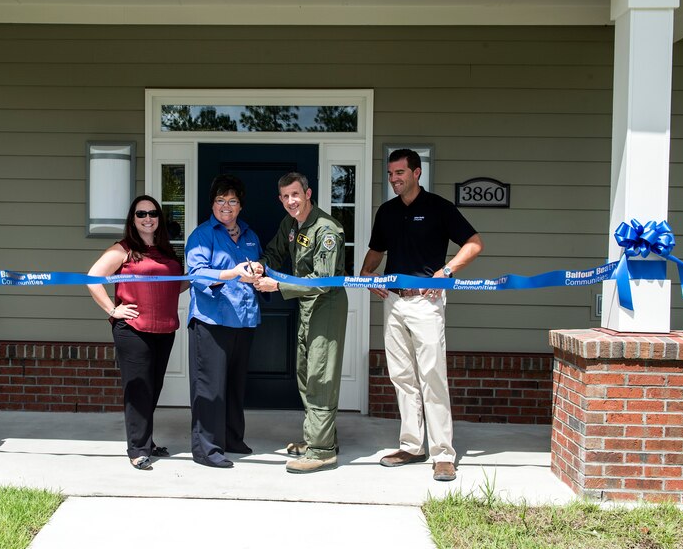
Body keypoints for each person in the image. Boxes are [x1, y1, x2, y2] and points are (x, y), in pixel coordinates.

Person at [361, 148, 483, 482]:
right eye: (390, 174)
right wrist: (366, 276)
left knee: (432, 377)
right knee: (401, 376)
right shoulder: (386, 211)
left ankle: (443, 454)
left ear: (417, 173)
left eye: (399, 173)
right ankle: (412, 446)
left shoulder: (440, 208)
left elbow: (474, 243)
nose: (393, 179)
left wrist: (447, 270)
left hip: (427, 304)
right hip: (394, 303)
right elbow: (376, 250)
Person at [252, 172, 348, 474]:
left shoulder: (327, 229)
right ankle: (320, 439)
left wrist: (277, 286)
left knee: (320, 376)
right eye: (285, 197)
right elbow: (275, 250)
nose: (291, 201)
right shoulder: (291, 224)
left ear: (308, 194)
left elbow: (322, 281)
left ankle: (321, 452)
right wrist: (261, 264)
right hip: (307, 307)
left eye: (296, 194)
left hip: (326, 306)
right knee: (306, 372)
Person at [87, 195, 185, 471]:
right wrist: (113, 309)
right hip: (133, 330)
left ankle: (146, 440)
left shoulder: (166, 252)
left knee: (153, 388)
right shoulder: (123, 249)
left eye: (153, 213)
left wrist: (207, 280)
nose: (148, 218)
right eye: (141, 214)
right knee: (138, 389)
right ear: (133, 219)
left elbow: (174, 286)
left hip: (164, 329)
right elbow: (93, 278)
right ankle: (138, 449)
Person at [185, 174, 262, 468]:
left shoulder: (250, 235)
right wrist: (233, 273)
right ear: (212, 204)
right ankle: (206, 449)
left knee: (233, 385)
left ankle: (231, 438)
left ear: (240, 206)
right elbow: (197, 273)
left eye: (232, 200)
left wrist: (258, 271)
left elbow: (255, 269)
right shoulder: (202, 235)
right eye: (220, 200)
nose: (226, 206)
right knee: (210, 387)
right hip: (212, 321)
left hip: (243, 320)